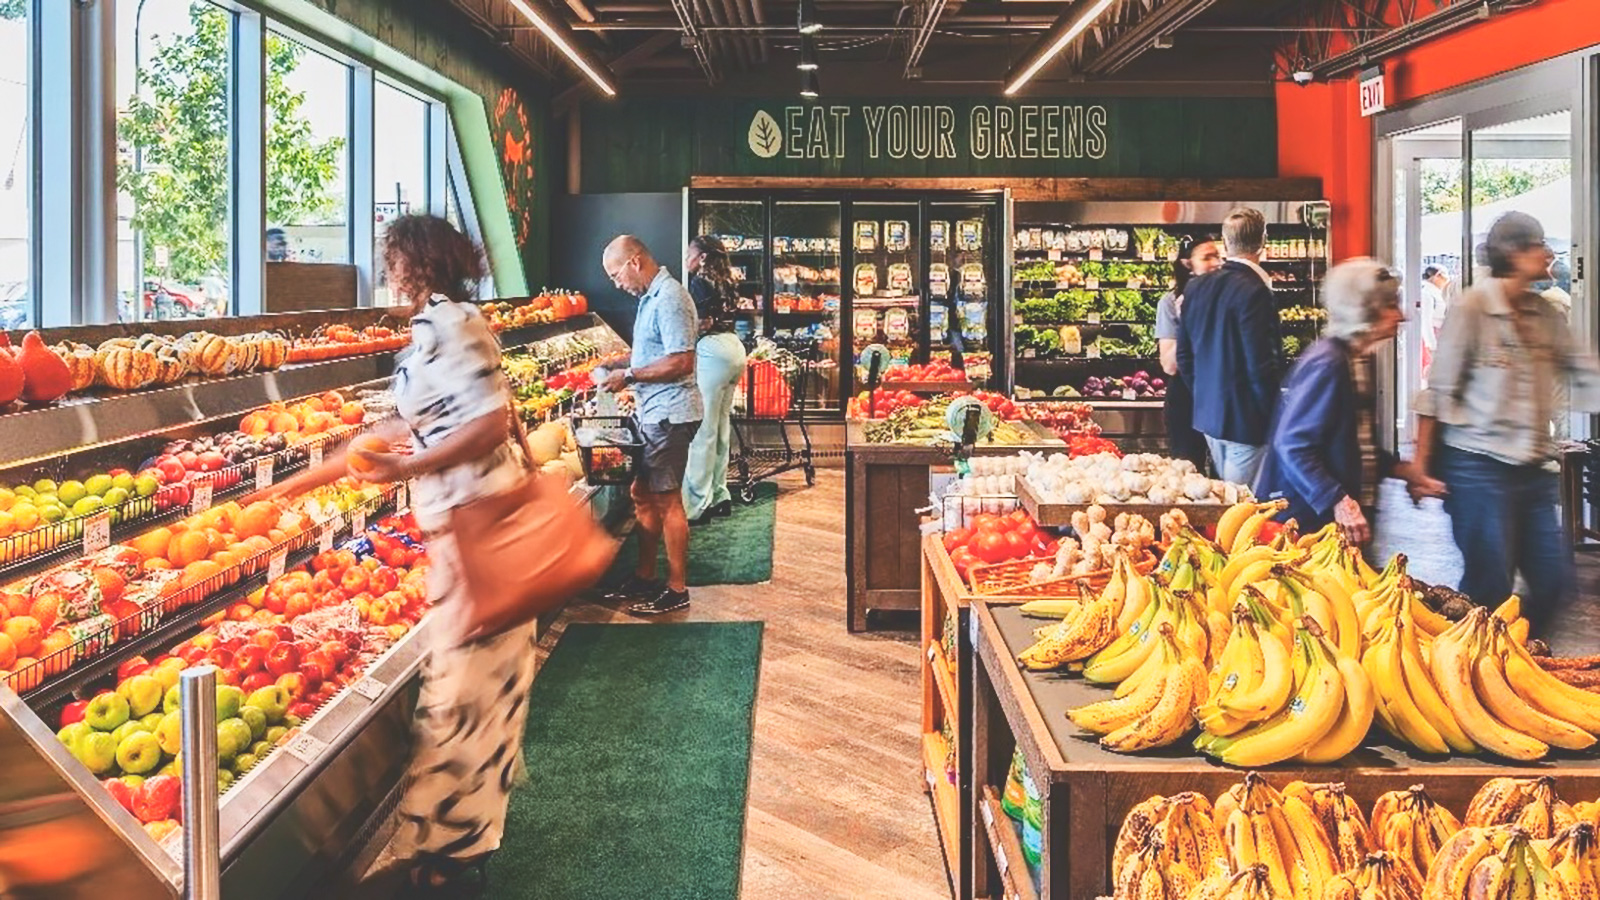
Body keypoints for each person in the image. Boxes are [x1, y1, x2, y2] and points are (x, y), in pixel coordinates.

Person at [260, 214, 534, 895]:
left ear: (415, 262)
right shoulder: (436, 327)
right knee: (463, 696)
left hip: (481, 536)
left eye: (391, 256)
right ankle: (448, 854)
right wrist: (305, 480)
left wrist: (407, 470)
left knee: (463, 699)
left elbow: (490, 422)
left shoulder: (449, 322)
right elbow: (395, 429)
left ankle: (451, 862)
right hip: (464, 539)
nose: (385, 267)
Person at [1411, 212, 1600, 634]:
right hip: (1475, 466)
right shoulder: (1473, 308)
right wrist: (1421, 468)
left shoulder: (1543, 312)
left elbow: (1582, 371)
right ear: (1514, 253)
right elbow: (1437, 391)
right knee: (1488, 583)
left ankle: (1516, 658)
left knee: (1552, 581)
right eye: (1538, 245)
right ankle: (1465, 671)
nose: (1547, 252)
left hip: (1531, 470)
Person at [1254, 259, 1423, 541]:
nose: (1401, 316)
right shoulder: (1329, 364)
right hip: (1305, 524)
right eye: (1391, 305)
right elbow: (1293, 445)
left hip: (1330, 521)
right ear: (1365, 310)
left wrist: (1401, 470)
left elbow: (1351, 445)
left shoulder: (1353, 359)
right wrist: (1339, 501)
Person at [599, 235, 703, 616]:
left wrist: (628, 375)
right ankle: (643, 577)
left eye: (616, 275)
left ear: (635, 261)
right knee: (642, 494)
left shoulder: (672, 297)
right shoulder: (651, 299)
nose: (616, 283)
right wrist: (624, 367)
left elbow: (681, 362)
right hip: (653, 412)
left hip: (670, 414)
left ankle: (677, 590)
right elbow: (655, 352)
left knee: (667, 500)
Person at [1175, 207, 1282, 486]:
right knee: (1244, 507)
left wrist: (1204, 394)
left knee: (1227, 498)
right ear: (1263, 240)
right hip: (1246, 422)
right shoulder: (1255, 289)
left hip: (1209, 417)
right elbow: (1260, 365)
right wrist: (1275, 415)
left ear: (1225, 242)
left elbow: (1184, 356)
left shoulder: (1197, 287)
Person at [682, 236, 749, 526]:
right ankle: (720, 495)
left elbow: (702, 323)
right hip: (734, 349)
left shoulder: (699, 282)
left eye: (690, 253)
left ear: (703, 257)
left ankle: (697, 505)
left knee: (702, 431)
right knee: (721, 429)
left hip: (711, 351)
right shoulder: (729, 280)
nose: (687, 259)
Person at [1155, 240, 1221, 469]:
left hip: (1220, 395)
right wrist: (1189, 320)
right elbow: (1169, 365)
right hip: (1186, 398)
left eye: (1217, 256)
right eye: (1206, 257)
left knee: (1225, 479)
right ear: (1187, 264)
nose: (1215, 263)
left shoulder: (1229, 298)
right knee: (1189, 472)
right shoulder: (1171, 302)